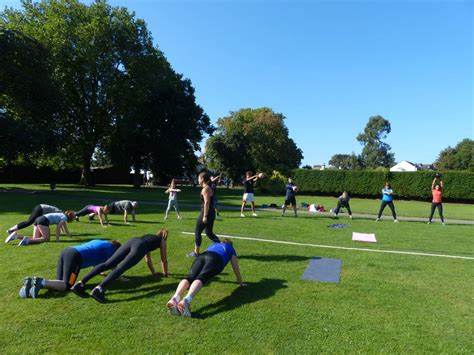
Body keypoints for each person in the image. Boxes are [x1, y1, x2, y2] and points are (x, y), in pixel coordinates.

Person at [70, 229, 169, 303]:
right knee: (121, 268)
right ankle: (98, 290)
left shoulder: (150, 237)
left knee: (107, 264)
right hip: (140, 246)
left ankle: (79, 284)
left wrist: (153, 272)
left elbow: (147, 258)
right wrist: (165, 274)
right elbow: (163, 260)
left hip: (133, 240)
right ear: (165, 236)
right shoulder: (162, 241)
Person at [167, 239, 245, 317]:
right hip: (215, 259)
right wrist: (240, 283)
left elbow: (208, 254)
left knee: (190, 277)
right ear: (230, 244)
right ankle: (186, 300)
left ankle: (174, 298)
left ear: (221, 242)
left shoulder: (214, 244)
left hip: (202, 256)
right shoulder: (230, 248)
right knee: (201, 278)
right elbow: (235, 267)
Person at [19, 239, 121, 298]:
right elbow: (112, 264)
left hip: (67, 251)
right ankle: (41, 282)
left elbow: (98, 264)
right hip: (75, 257)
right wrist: (117, 274)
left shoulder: (101, 242)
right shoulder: (111, 249)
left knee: (59, 283)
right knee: (67, 285)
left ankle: (33, 284)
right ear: (116, 248)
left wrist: (101, 273)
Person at [187, 172, 220, 257]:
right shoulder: (207, 187)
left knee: (197, 231)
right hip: (211, 213)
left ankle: (196, 252)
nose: (197, 179)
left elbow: (207, 203)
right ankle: (220, 247)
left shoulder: (206, 189)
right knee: (209, 232)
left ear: (202, 179)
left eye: (198, 178)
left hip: (206, 213)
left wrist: (205, 216)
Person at [6, 211, 75, 246]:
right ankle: (26, 241)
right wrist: (57, 240)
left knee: (36, 238)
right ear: (70, 217)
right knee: (46, 239)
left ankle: (16, 236)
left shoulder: (62, 216)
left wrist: (69, 236)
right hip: (43, 221)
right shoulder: (64, 218)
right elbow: (58, 228)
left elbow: (65, 229)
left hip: (38, 219)